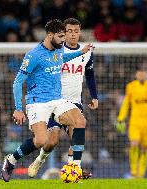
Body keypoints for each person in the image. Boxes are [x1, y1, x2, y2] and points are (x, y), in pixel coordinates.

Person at [1, 19, 93, 182]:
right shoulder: (34, 55)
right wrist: (18, 108)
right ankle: (11, 159)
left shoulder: (58, 50)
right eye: (60, 36)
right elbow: (17, 82)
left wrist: (81, 52)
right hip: (37, 102)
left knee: (80, 121)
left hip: (57, 101)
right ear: (49, 35)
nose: (63, 40)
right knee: (42, 141)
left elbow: (63, 58)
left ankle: (75, 168)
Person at [28, 18, 98, 179]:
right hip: (55, 102)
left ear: (80, 32)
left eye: (76, 31)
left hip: (74, 103)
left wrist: (94, 96)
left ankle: (74, 170)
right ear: (64, 33)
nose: (73, 35)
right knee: (52, 141)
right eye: (69, 31)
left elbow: (90, 74)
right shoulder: (56, 51)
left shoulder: (86, 52)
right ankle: (40, 159)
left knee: (77, 135)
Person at [115, 67, 147, 178]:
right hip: (135, 122)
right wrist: (120, 118)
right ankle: (133, 170)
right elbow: (126, 104)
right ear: (136, 74)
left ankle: (140, 174)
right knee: (134, 143)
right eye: (140, 73)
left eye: (144, 73)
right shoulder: (131, 87)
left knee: (145, 148)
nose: (142, 75)